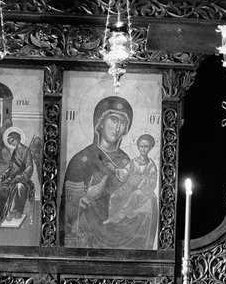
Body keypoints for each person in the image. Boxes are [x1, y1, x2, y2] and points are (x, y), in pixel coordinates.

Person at [61, 96, 157, 250]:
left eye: (123, 122)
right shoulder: (81, 161)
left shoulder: (128, 161)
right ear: (100, 122)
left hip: (124, 239)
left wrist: (147, 200)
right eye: (113, 120)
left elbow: (132, 198)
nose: (117, 127)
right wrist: (86, 198)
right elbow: (68, 218)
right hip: (89, 246)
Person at [103, 132, 158, 248]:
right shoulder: (133, 162)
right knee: (114, 196)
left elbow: (153, 180)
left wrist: (144, 180)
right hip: (129, 187)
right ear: (138, 147)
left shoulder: (151, 165)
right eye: (141, 146)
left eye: (146, 147)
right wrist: (115, 169)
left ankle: (122, 213)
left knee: (136, 194)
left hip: (143, 191)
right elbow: (125, 173)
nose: (143, 149)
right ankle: (111, 218)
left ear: (151, 148)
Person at [0, 128, 35, 224]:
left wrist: (22, 176)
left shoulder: (26, 151)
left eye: (12, 140)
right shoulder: (15, 152)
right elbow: (10, 168)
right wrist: (2, 176)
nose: (11, 143)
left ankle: (12, 212)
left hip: (22, 180)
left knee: (19, 186)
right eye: (9, 142)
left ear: (17, 138)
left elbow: (29, 166)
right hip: (11, 180)